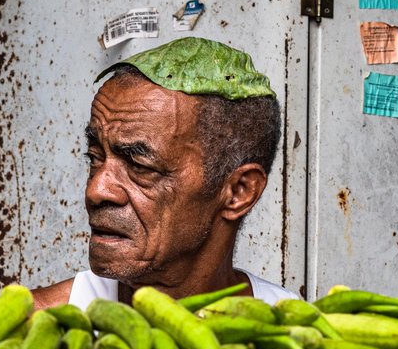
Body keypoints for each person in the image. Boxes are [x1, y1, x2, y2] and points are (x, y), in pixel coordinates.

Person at [31, 36, 299, 311]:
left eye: (139, 166)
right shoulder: (35, 324)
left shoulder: (299, 333)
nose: (96, 191)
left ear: (238, 192)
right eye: (95, 158)